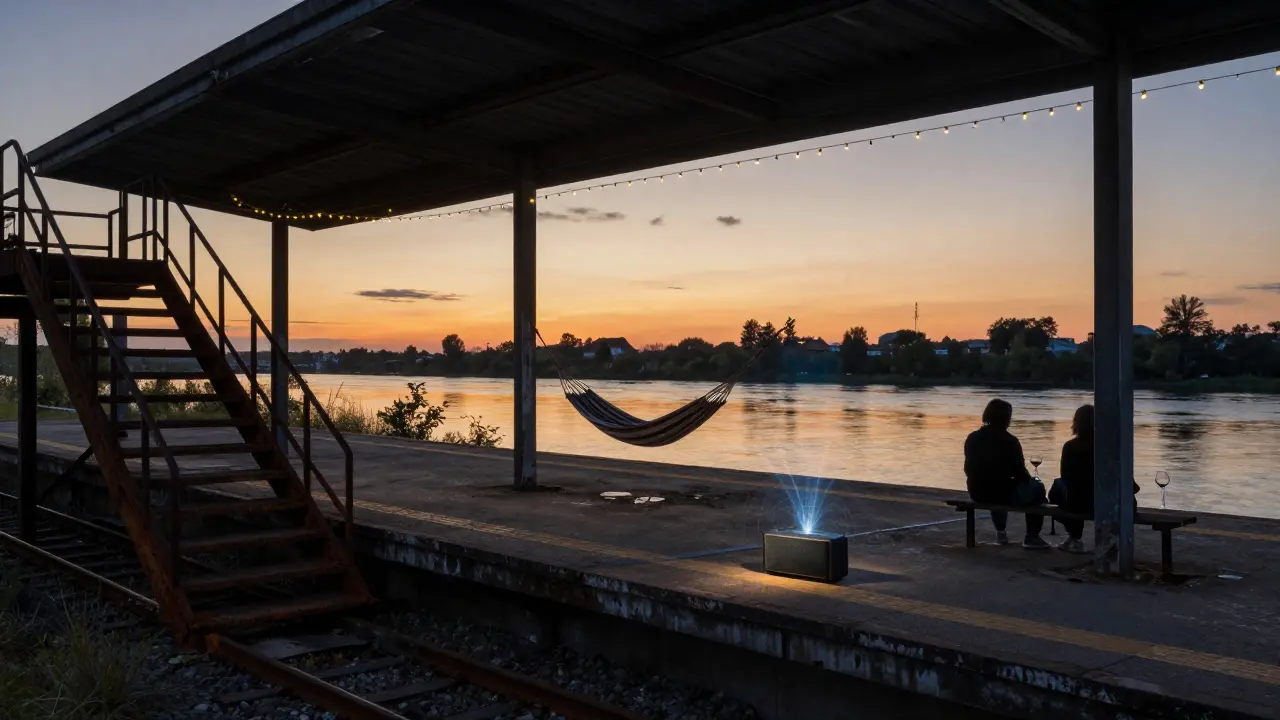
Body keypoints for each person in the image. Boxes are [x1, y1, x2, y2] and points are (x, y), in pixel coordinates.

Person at [963, 398, 1049, 549]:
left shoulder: (972, 438)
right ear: (1006, 418)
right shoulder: (1010, 441)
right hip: (1001, 493)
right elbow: (1021, 473)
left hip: (976, 492)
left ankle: (1001, 532)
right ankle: (1032, 536)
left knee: (996, 487)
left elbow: (967, 469)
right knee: (1037, 488)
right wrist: (1029, 482)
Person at [1055, 404, 1140, 553]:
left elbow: (1065, 476)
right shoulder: (1109, 447)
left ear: (1076, 422)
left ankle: (1074, 537)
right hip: (1108, 503)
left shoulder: (1069, 447)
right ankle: (1109, 540)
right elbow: (1125, 479)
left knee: (1059, 489)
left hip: (1079, 503)